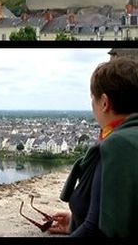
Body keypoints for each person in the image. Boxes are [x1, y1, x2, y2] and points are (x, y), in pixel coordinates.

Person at [48, 57, 138, 237]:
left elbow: (96, 229)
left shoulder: (118, 145)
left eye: (93, 99)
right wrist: (74, 222)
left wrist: (82, 225)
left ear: (104, 103)